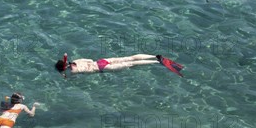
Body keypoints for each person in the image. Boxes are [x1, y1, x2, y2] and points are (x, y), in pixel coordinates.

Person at [55, 53, 184, 77]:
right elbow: (88, 59)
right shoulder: (76, 61)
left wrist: (63, 74)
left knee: (131, 64)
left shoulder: (73, 71)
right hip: (101, 61)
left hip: (101, 68)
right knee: (129, 58)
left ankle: (157, 62)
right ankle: (155, 56)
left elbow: (67, 77)